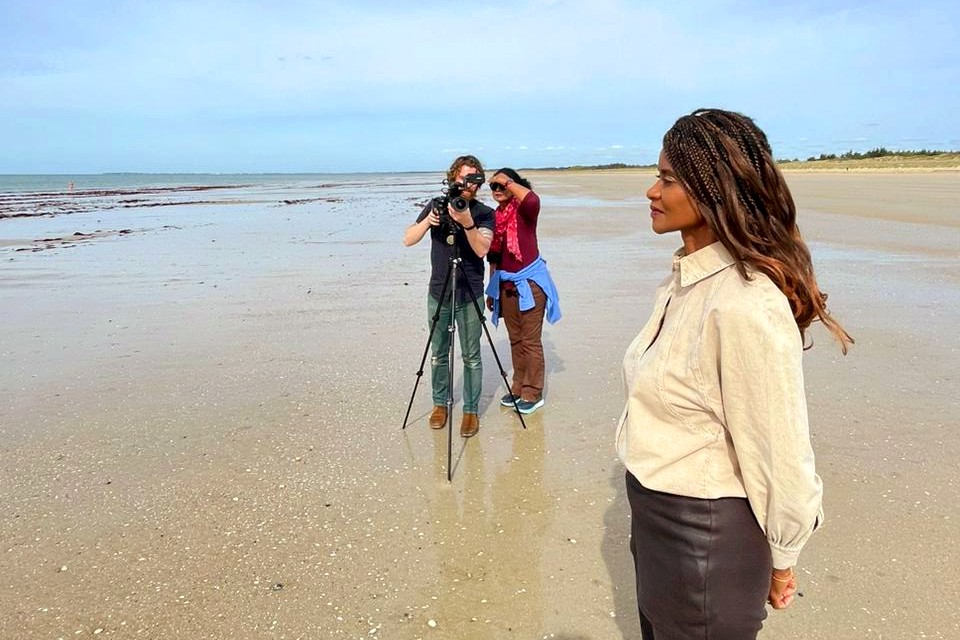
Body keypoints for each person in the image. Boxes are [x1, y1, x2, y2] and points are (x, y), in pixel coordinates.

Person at [616, 109, 852, 639]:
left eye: (668, 179)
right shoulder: (686, 280)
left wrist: (784, 553)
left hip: (704, 538)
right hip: (653, 517)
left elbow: (779, 449)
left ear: (713, 188)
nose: (651, 191)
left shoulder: (745, 304)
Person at [404, 155, 494, 437]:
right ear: (453, 178)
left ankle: (470, 411)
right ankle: (439, 404)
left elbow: (482, 250)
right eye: (463, 177)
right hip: (439, 290)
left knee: (472, 356)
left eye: (473, 178)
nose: (467, 184)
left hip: (470, 292)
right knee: (438, 354)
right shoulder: (437, 205)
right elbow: (408, 239)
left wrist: (467, 222)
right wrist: (428, 222)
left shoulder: (484, 213)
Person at [484, 168, 560, 415]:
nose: (497, 190)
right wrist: (491, 290)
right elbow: (493, 259)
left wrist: (506, 180)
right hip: (505, 287)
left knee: (530, 341)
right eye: (493, 186)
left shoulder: (524, 211)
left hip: (530, 286)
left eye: (502, 185)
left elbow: (532, 199)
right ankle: (518, 388)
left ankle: (532, 392)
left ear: (513, 185)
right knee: (516, 341)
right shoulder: (496, 217)